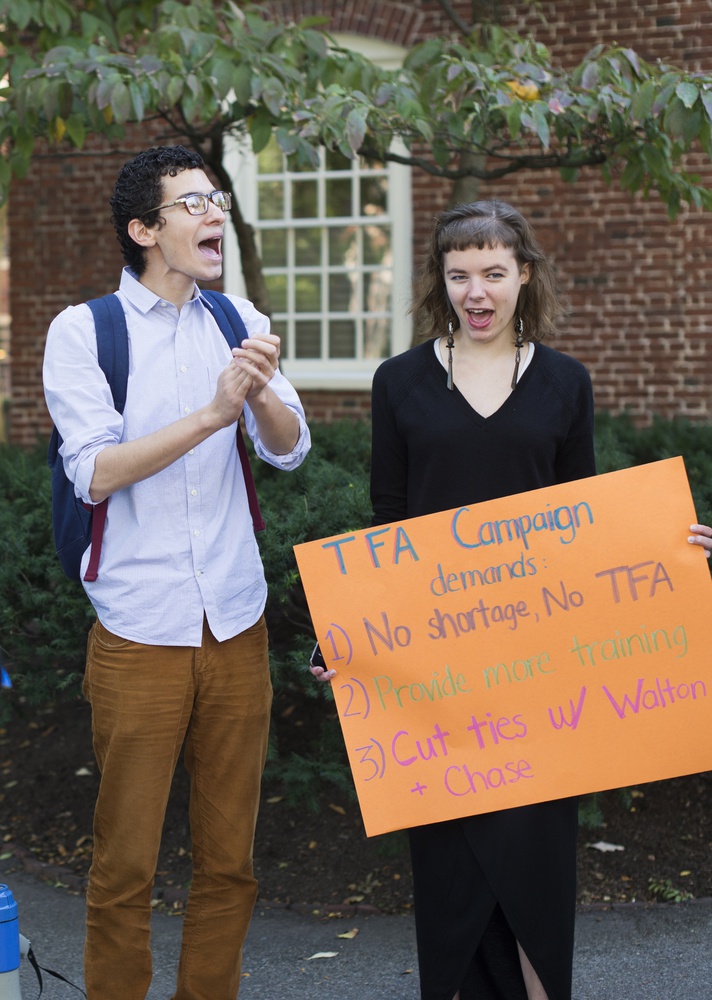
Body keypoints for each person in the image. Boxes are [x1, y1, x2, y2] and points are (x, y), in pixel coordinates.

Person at [310, 198, 712, 1000]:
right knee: (453, 885)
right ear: (442, 282)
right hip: (437, 687)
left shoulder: (566, 382)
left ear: (524, 275)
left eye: (494, 272)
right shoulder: (398, 383)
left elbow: (584, 524)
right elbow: (386, 526)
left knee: (533, 881)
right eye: (460, 275)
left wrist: (674, 552)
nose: (477, 292)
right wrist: (347, 636)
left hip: (539, 680)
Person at [43, 145, 310, 1000]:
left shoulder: (238, 318)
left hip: (235, 622)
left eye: (217, 199)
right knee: (126, 865)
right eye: (193, 203)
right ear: (144, 229)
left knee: (230, 865)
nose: (214, 215)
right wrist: (210, 414)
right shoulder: (85, 332)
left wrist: (259, 390)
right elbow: (94, 472)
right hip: (138, 634)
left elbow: (291, 448)